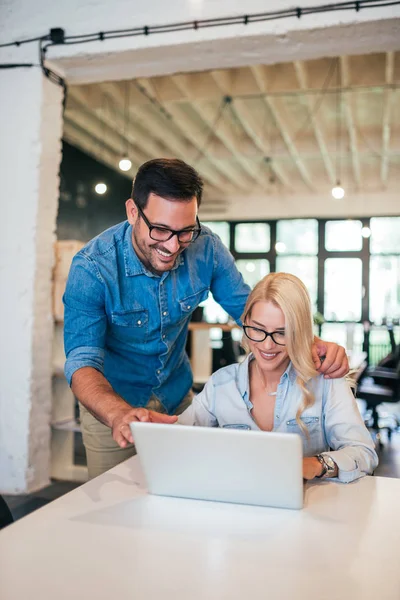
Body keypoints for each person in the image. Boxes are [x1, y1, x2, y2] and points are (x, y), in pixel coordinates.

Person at [64, 158, 349, 479]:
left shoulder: (206, 247)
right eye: (160, 230)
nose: (173, 246)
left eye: (185, 231)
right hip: (113, 410)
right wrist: (118, 414)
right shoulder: (92, 268)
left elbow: (247, 307)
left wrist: (308, 343)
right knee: (116, 514)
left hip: (179, 401)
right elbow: (82, 361)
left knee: (186, 498)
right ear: (133, 212)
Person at [178, 273, 378, 482]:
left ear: (300, 332)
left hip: (309, 508)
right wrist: (156, 425)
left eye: (282, 333)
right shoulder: (221, 384)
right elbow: (178, 438)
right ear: (245, 321)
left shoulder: (326, 382)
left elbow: (364, 453)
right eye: (257, 329)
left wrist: (317, 464)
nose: (267, 345)